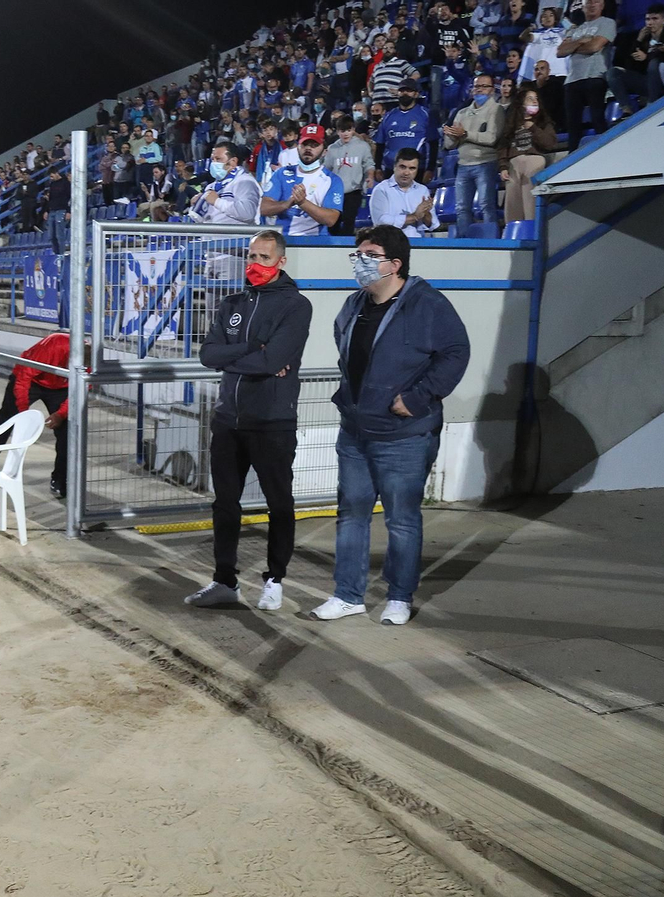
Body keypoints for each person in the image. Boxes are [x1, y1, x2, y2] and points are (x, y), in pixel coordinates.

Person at [310, 226, 470, 626]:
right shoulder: (354, 304)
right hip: (356, 431)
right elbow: (346, 352)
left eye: (370, 255)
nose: (360, 262)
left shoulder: (428, 305)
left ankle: (399, 596)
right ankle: (348, 595)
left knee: (401, 519)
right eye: (357, 255)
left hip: (403, 436)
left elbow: (455, 353)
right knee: (351, 514)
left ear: (395, 264)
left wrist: (416, 398)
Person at [186, 231, 312, 612]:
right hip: (228, 420)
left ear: (281, 261)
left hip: (272, 421)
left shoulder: (296, 306)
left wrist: (238, 358)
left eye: (264, 257)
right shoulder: (232, 303)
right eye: (251, 256)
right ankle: (224, 580)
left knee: (279, 503)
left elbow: (272, 361)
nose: (255, 264)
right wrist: (251, 350)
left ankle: (275, 580)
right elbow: (208, 355)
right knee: (225, 504)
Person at [0, 331, 78, 500]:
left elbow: (78, 392)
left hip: (60, 387)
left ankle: (60, 481)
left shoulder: (89, 362)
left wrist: (61, 414)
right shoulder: (54, 346)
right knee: (4, 424)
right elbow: (23, 378)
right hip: (31, 380)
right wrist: (23, 413)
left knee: (68, 433)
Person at [443, 72, 505, 234]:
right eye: (477, 86)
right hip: (463, 165)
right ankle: (465, 242)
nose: (479, 89)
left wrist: (465, 134)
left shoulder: (497, 109)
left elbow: (492, 138)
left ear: (492, 90)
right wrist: (451, 135)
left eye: (484, 86)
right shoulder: (462, 113)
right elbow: (449, 145)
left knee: (486, 205)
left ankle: (491, 241)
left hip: (486, 163)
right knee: (462, 208)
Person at [260, 123, 346, 237]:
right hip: (283, 239)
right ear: (298, 147)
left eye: (314, 145)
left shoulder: (332, 181)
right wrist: (287, 204)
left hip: (315, 241)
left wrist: (303, 202)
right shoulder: (282, 173)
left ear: (324, 151)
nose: (308, 148)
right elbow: (263, 208)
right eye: (305, 144)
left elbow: (331, 219)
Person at [557, 0, 616, 150]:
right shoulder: (574, 29)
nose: (592, 4)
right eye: (588, 2)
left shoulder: (607, 23)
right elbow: (560, 51)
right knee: (572, 127)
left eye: (596, 1)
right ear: (582, 7)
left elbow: (594, 46)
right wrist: (582, 42)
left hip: (594, 76)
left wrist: (573, 46)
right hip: (572, 80)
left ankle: (606, 152)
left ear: (602, 5)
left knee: (598, 120)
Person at [498, 86, 562, 222]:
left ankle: (532, 228)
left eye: (536, 99)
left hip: (534, 161)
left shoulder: (543, 123)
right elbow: (503, 146)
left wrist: (533, 128)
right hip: (514, 164)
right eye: (530, 98)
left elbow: (550, 144)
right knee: (512, 203)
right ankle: (514, 230)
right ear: (521, 104)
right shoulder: (512, 124)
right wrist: (503, 166)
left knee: (530, 200)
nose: (534, 101)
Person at [189, 141, 263, 225]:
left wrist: (217, 201)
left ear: (233, 162)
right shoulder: (212, 186)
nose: (214, 163)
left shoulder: (245, 182)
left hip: (235, 233)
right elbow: (205, 219)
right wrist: (196, 206)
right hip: (212, 233)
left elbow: (248, 213)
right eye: (212, 159)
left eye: (218, 159)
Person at [326, 116, 377, 235]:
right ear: (337, 131)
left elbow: (369, 164)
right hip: (336, 192)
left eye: (348, 130)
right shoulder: (332, 149)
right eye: (342, 131)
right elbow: (326, 170)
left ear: (353, 130)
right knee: (333, 224)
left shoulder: (362, 146)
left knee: (349, 221)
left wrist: (370, 177)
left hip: (354, 191)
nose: (346, 134)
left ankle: (346, 245)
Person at [374, 78, 434, 178]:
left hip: (416, 170)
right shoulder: (388, 116)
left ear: (416, 94)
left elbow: (433, 144)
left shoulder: (425, 114)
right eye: (402, 90)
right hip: (391, 169)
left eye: (409, 90)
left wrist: (430, 169)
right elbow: (380, 144)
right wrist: (378, 167)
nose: (405, 93)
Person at [370, 148, 436, 237]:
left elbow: (432, 224)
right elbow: (381, 222)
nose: (406, 173)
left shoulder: (422, 190)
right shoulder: (381, 189)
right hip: (389, 242)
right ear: (394, 167)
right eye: (402, 167)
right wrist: (414, 216)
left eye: (412, 168)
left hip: (417, 243)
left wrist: (425, 213)